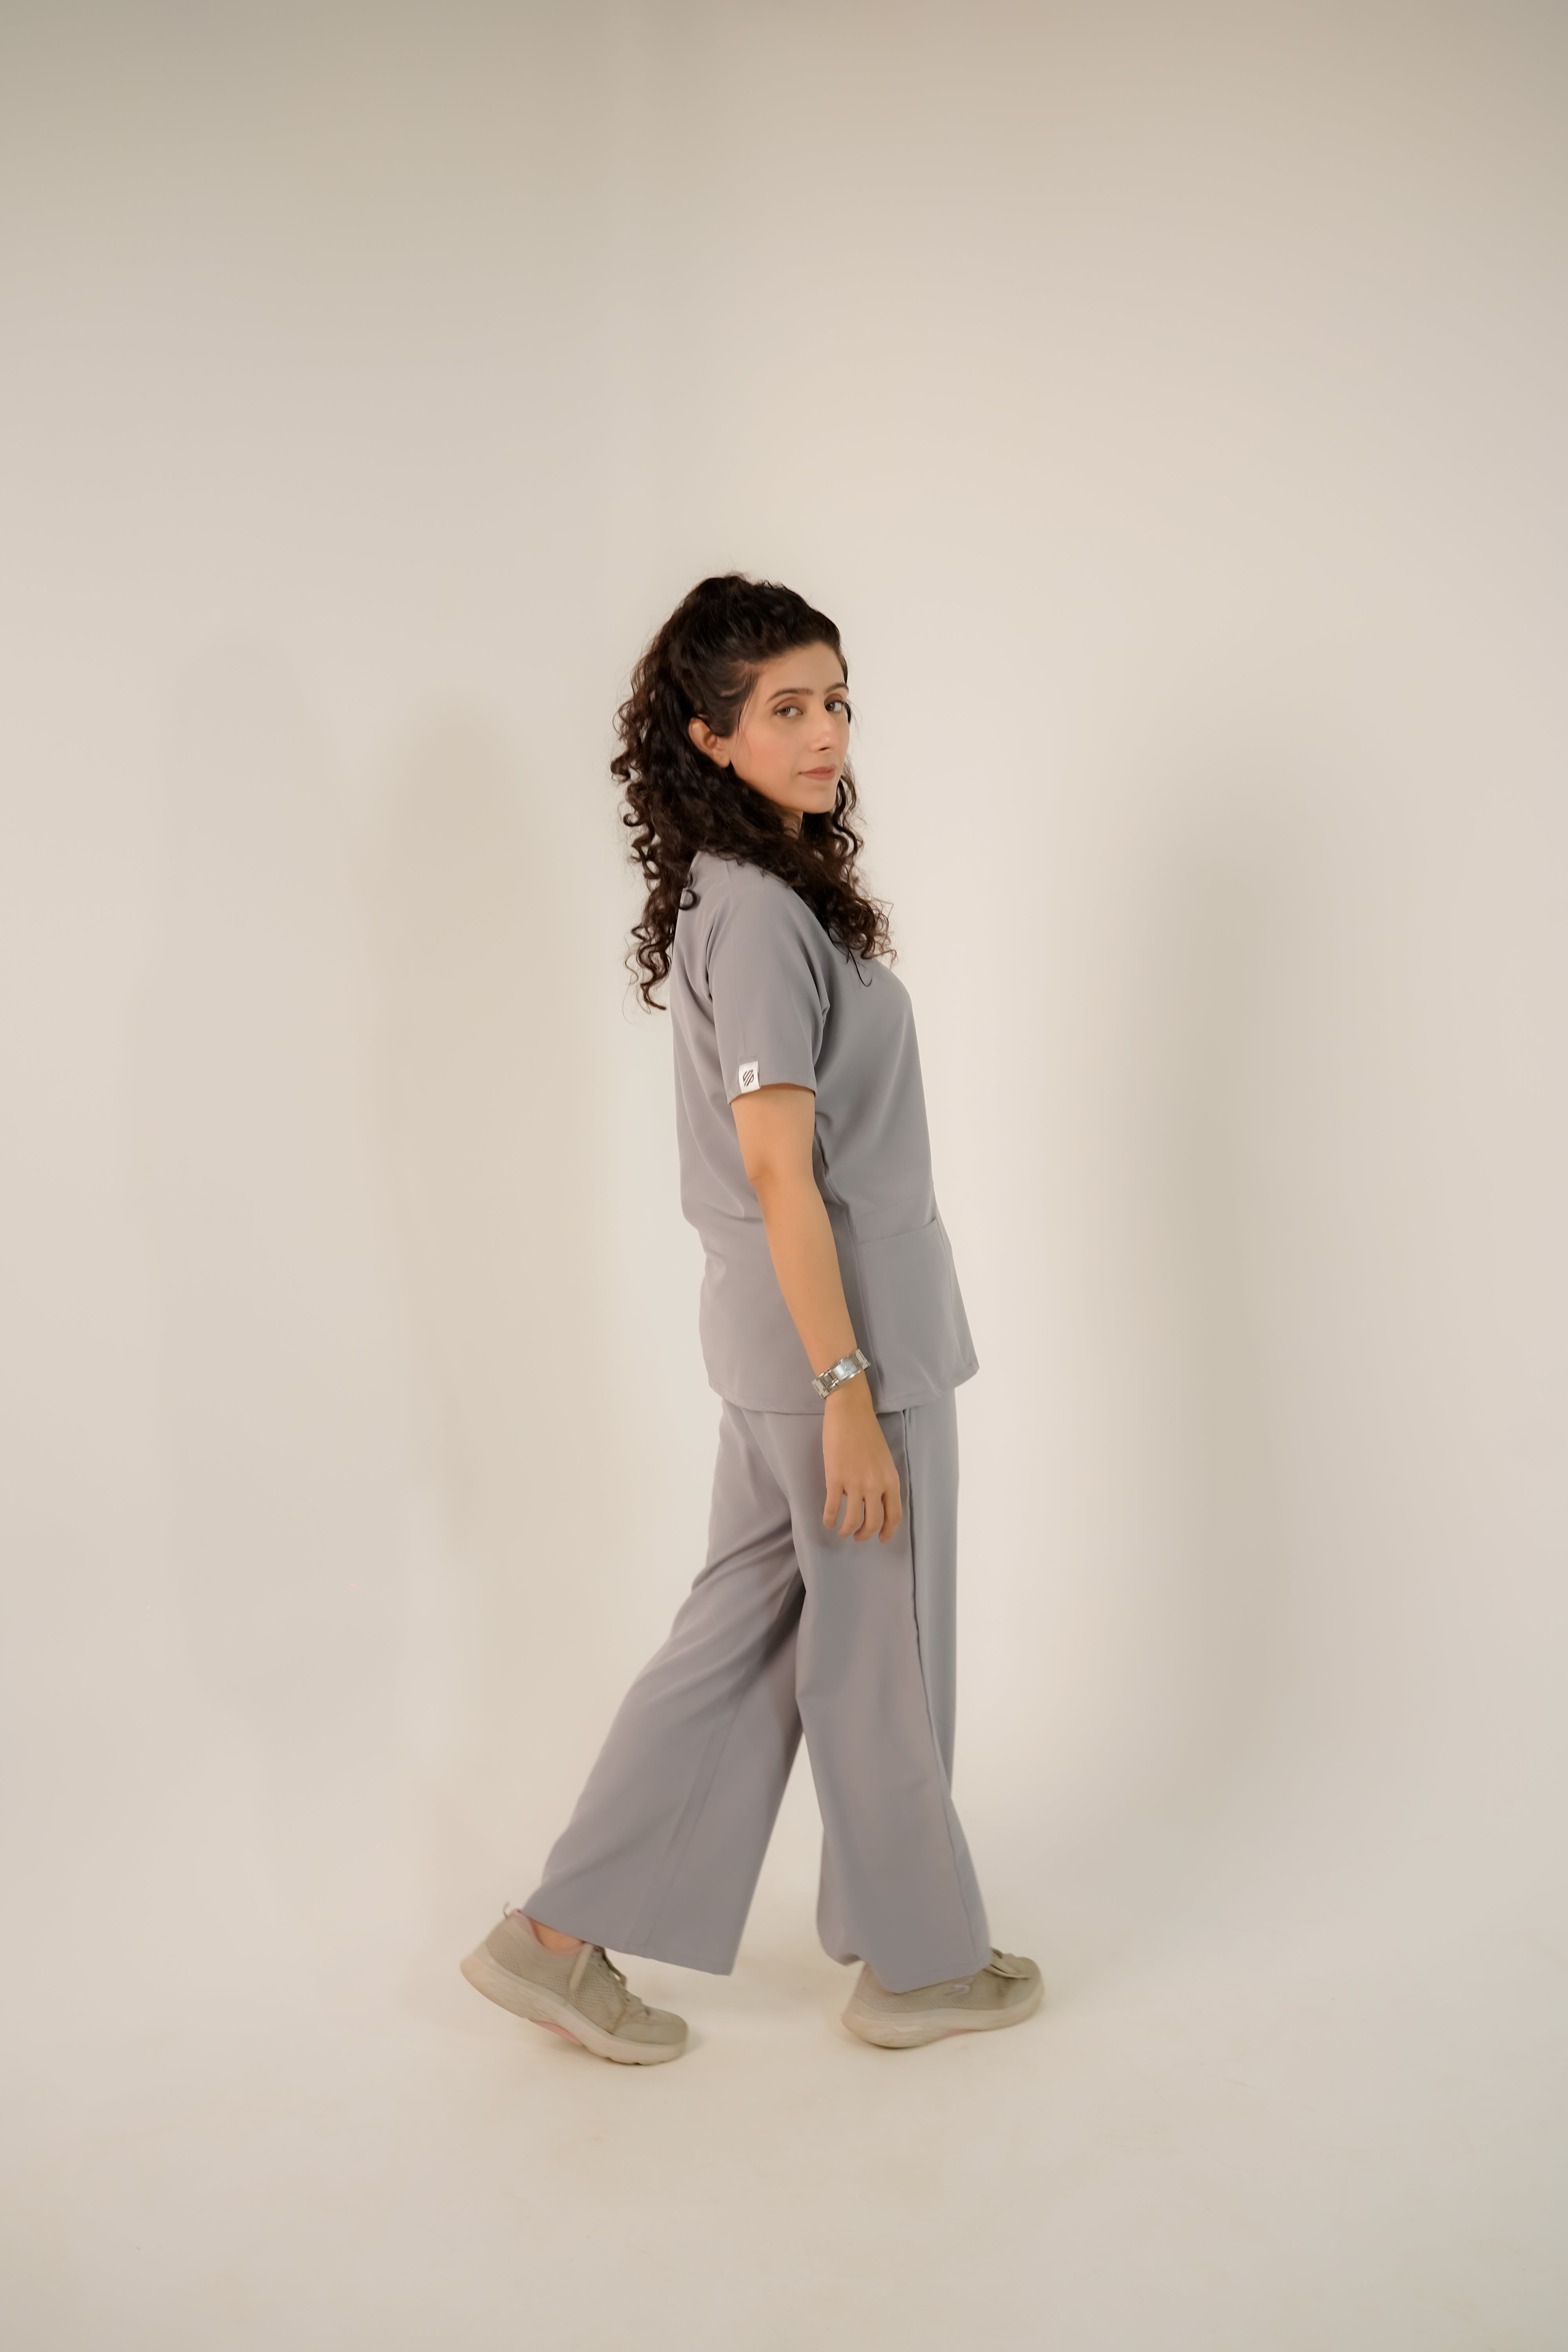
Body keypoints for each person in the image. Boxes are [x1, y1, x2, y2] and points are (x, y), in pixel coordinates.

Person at [460, 574, 1041, 2062]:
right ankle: (920, 1965)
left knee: (740, 1640)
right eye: (786, 708)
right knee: (881, 1654)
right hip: (844, 1348)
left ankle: (553, 1939)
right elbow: (781, 1170)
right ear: (711, 736)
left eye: (835, 699)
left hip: (791, 1344)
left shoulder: (747, 895)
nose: (825, 730)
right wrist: (848, 1389)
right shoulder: (766, 916)